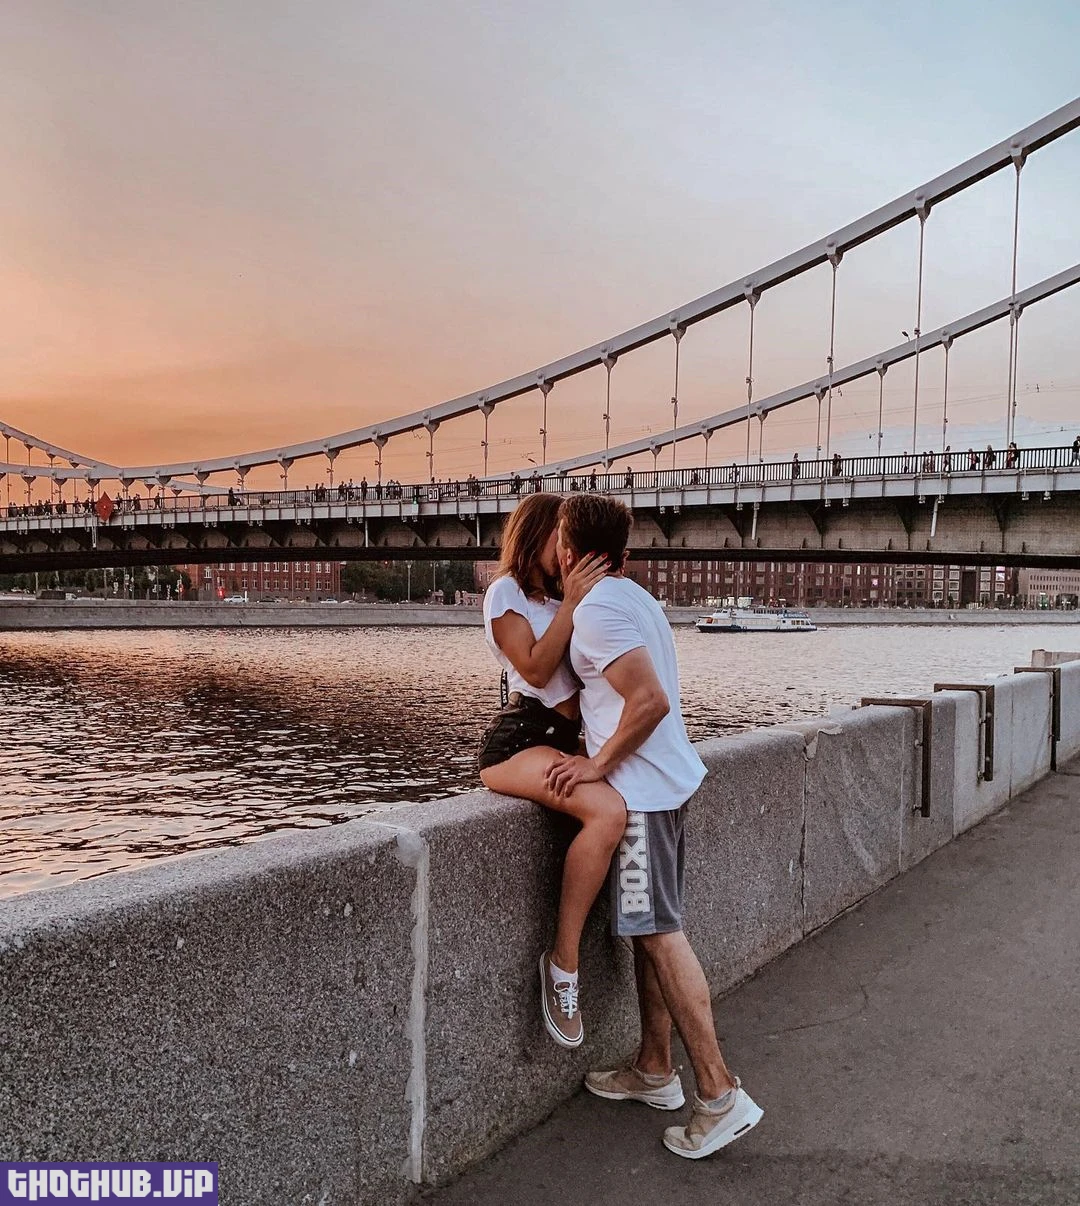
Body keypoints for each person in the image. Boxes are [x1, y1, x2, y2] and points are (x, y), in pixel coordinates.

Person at [547, 494, 763, 1159]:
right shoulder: (635, 598)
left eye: (557, 540)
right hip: (664, 785)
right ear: (622, 552)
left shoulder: (598, 611)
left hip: (639, 793)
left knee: (662, 936)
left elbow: (649, 700)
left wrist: (596, 765)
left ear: (567, 550)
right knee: (650, 934)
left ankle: (719, 1094)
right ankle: (653, 1068)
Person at [478, 493, 625, 1050]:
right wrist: (575, 602)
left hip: (567, 740)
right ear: (536, 533)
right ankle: (563, 963)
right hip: (519, 741)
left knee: (629, 798)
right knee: (607, 812)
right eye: (559, 538)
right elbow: (536, 669)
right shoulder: (506, 593)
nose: (567, 550)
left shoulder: (568, 597)